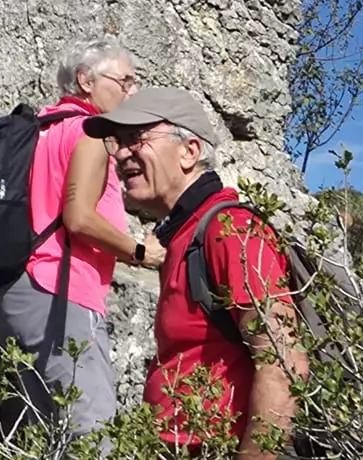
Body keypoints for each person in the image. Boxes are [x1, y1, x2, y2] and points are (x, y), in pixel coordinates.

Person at [87, 87, 305, 460]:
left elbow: (285, 364)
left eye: (136, 139)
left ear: (189, 151)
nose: (122, 153)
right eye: (117, 142)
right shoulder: (183, 237)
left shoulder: (229, 230)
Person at [0, 41, 162, 440]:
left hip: (20, 289)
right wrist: (139, 251)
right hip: (63, 293)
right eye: (125, 81)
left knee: (41, 432)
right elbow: (79, 217)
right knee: (92, 433)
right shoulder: (88, 131)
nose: (131, 92)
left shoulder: (43, 128)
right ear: (86, 81)